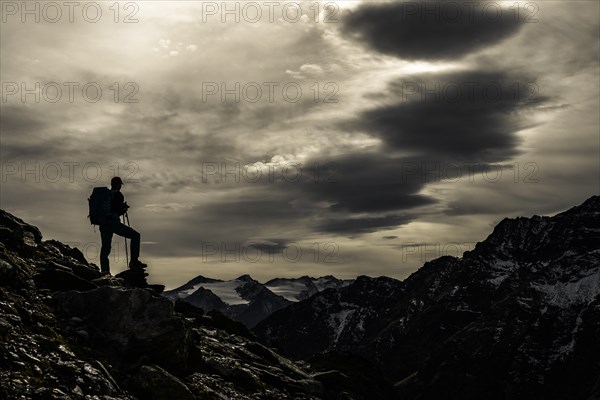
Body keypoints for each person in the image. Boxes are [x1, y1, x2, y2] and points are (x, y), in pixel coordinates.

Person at [99, 176, 146, 274]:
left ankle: (104, 271)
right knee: (135, 236)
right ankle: (134, 262)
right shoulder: (118, 195)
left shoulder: (105, 195)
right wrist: (124, 208)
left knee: (105, 248)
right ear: (118, 185)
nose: (121, 186)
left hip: (103, 224)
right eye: (120, 184)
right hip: (113, 223)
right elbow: (118, 210)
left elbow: (110, 208)